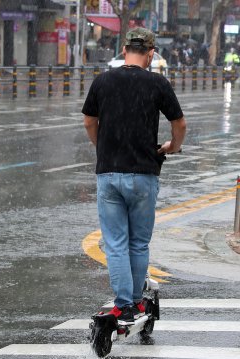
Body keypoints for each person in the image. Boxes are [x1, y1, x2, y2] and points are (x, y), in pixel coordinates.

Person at [82, 27, 186, 325]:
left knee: (115, 243)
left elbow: (90, 122)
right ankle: (139, 303)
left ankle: (123, 304)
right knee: (138, 244)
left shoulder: (102, 81)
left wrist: (102, 146)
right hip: (143, 173)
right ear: (151, 54)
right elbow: (179, 124)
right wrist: (172, 147)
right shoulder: (157, 83)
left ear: (124, 50)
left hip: (109, 173)